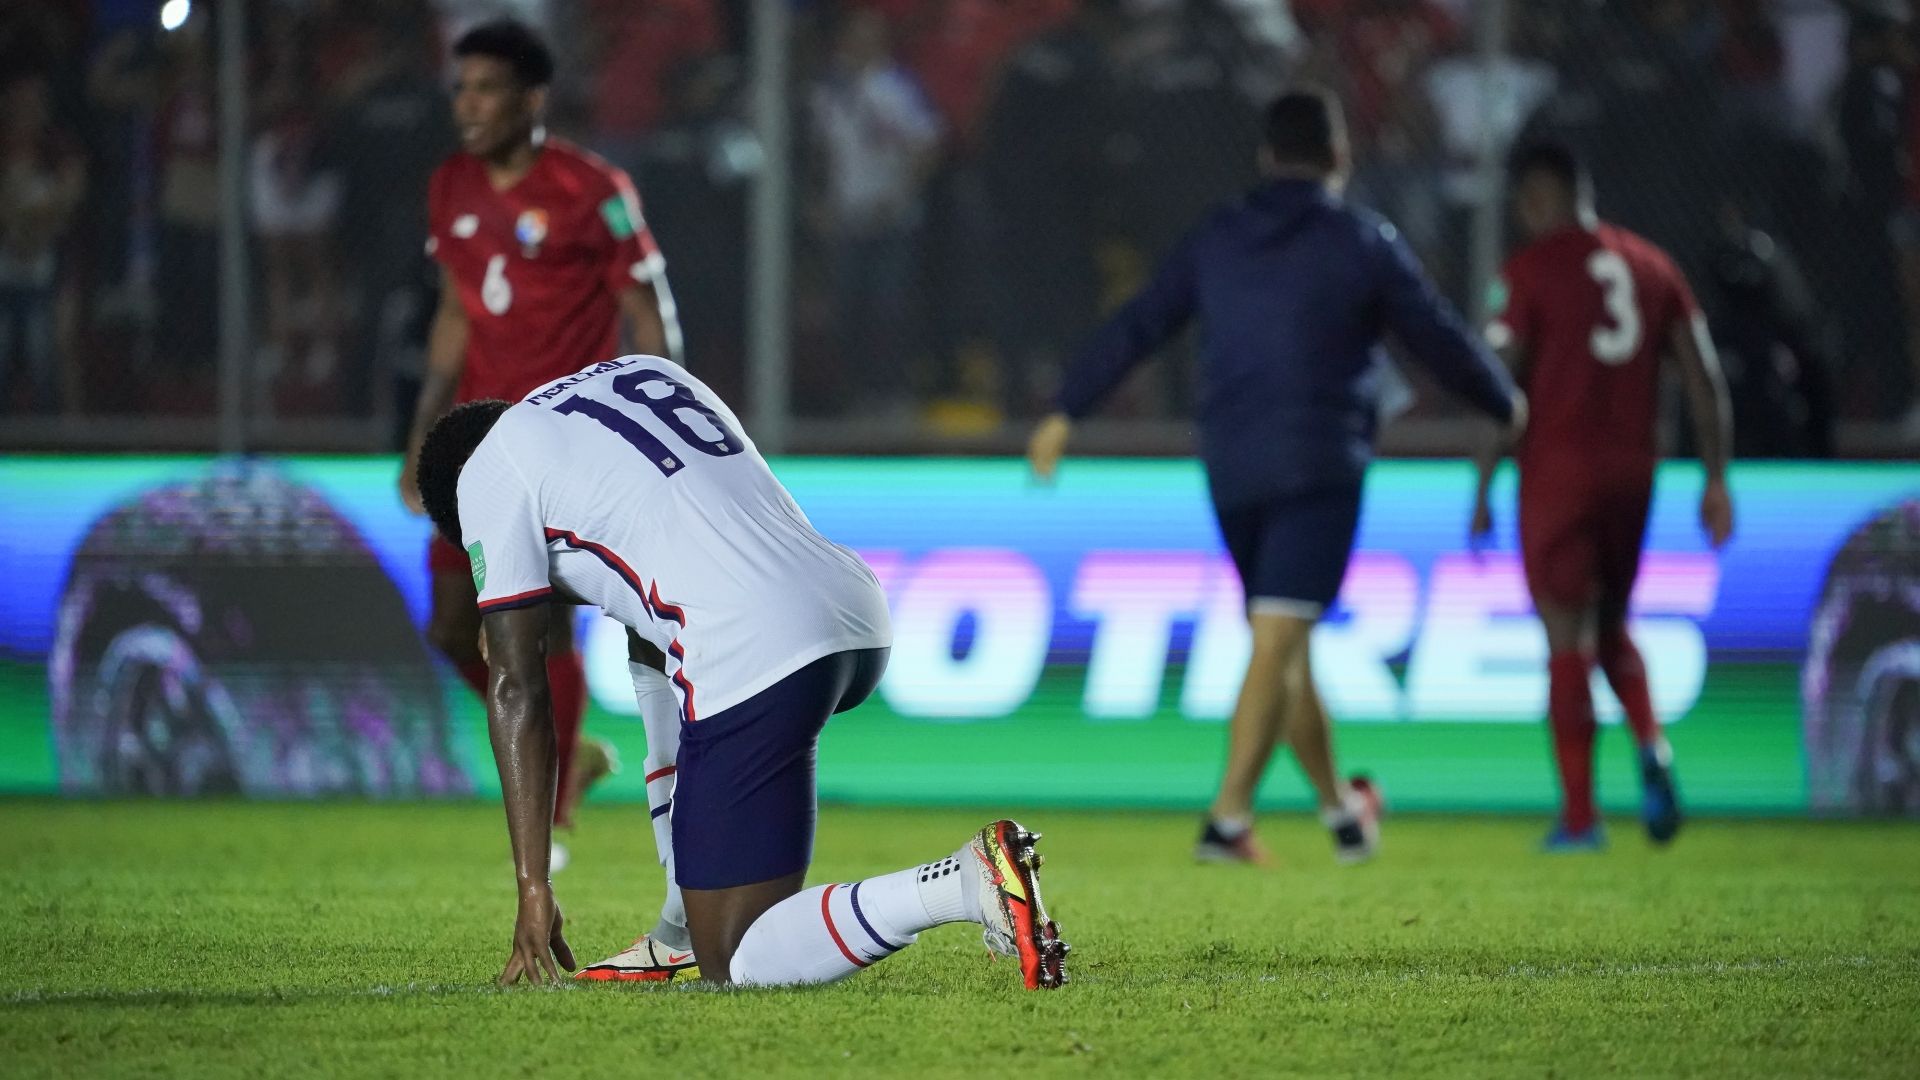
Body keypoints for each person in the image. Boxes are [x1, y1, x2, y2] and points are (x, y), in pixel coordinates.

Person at [413, 354, 1069, 989]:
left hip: (753, 647)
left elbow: (517, 686)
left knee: (737, 960)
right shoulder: (636, 376)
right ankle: (680, 928)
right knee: (721, 908)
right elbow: (650, 631)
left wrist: (533, 886)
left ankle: (961, 882)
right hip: (853, 608)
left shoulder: (487, 472)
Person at [1028, 88, 1524, 866]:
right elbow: (1436, 334)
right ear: (1340, 155)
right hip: (1319, 463)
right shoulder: (1362, 240)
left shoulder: (1218, 235)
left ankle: (1342, 815)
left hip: (1230, 464)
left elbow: (1142, 321)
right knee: (1279, 637)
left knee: (1283, 641)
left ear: (1267, 156)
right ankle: (1227, 822)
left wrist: (1067, 408)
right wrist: (1503, 401)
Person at [394, 20, 683, 966]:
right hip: (475, 448)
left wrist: (667, 418)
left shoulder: (594, 191)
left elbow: (646, 308)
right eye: (460, 88)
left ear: (532, 99)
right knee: (451, 627)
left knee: (536, 630)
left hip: (564, 448)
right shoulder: (451, 185)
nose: (467, 105)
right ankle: (570, 753)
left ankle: (549, 815)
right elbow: (454, 312)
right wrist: (421, 434)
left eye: (486, 88)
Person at [1472, 141, 1735, 852]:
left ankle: (1581, 818)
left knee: (1566, 633)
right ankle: (1652, 747)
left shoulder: (1527, 272)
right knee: (1612, 621)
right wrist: (1716, 477)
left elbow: (1502, 384)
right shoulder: (1654, 265)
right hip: (1633, 474)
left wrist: (1483, 482)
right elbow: (1703, 376)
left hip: (1557, 473)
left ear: (1537, 197)